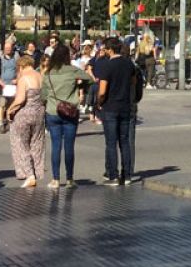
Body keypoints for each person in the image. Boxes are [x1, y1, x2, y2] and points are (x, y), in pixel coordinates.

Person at [41, 44, 86, 189]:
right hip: (70, 111)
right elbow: (90, 78)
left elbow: (43, 95)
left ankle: (55, 179)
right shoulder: (73, 70)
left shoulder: (48, 73)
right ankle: (70, 179)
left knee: (55, 146)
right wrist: (80, 88)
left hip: (53, 111)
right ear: (68, 56)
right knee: (69, 146)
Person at [96, 37, 141, 185]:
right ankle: (126, 175)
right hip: (125, 106)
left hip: (110, 107)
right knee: (124, 142)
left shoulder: (107, 66)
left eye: (105, 49)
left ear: (109, 49)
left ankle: (113, 176)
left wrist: (99, 103)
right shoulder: (128, 64)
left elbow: (102, 91)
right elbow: (134, 81)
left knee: (111, 143)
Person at [7, 53, 46, 188]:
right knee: (36, 143)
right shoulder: (40, 76)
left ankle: (29, 175)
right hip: (39, 113)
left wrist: (10, 109)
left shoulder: (24, 78)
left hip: (24, 114)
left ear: (22, 65)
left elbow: (20, 99)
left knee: (20, 143)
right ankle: (36, 172)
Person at [0, 37, 18, 130]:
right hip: (4, 85)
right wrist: (0, 82)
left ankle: (9, 121)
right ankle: (1, 124)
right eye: (6, 48)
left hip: (13, 85)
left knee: (11, 105)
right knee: (2, 105)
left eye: (9, 48)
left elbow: (20, 70)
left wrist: (17, 79)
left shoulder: (16, 57)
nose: (8, 50)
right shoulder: (0, 58)